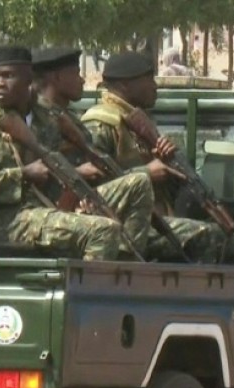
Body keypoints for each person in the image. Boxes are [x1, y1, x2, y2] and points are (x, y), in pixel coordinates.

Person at [81, 52, 234, 264]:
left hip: (152, 219)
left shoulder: (136, 121)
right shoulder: (101, 123)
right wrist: (148, 173)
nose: (154, 86)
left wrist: (167, 163)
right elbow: (88, 189)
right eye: (148, 79)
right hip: (124, 225)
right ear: (125, 86)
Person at [0, 46, 122, 261]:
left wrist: (76, 201)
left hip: (44, 208)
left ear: (28, 78)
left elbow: (52, 175)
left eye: (8, 76)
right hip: (3, 219)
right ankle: (84, 291)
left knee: (113, 217)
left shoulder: (46, 118)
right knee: (102, 231)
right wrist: (22, 174)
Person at [31, 46, 154, 258]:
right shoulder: (40, 119)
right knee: (139, 182)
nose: (82, 80)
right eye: (76, 73)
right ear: (57, 78)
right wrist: (78, 173)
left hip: (81, 197)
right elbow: (36, 170)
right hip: (55, 205)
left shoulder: (67, 116)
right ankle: (127, 263)